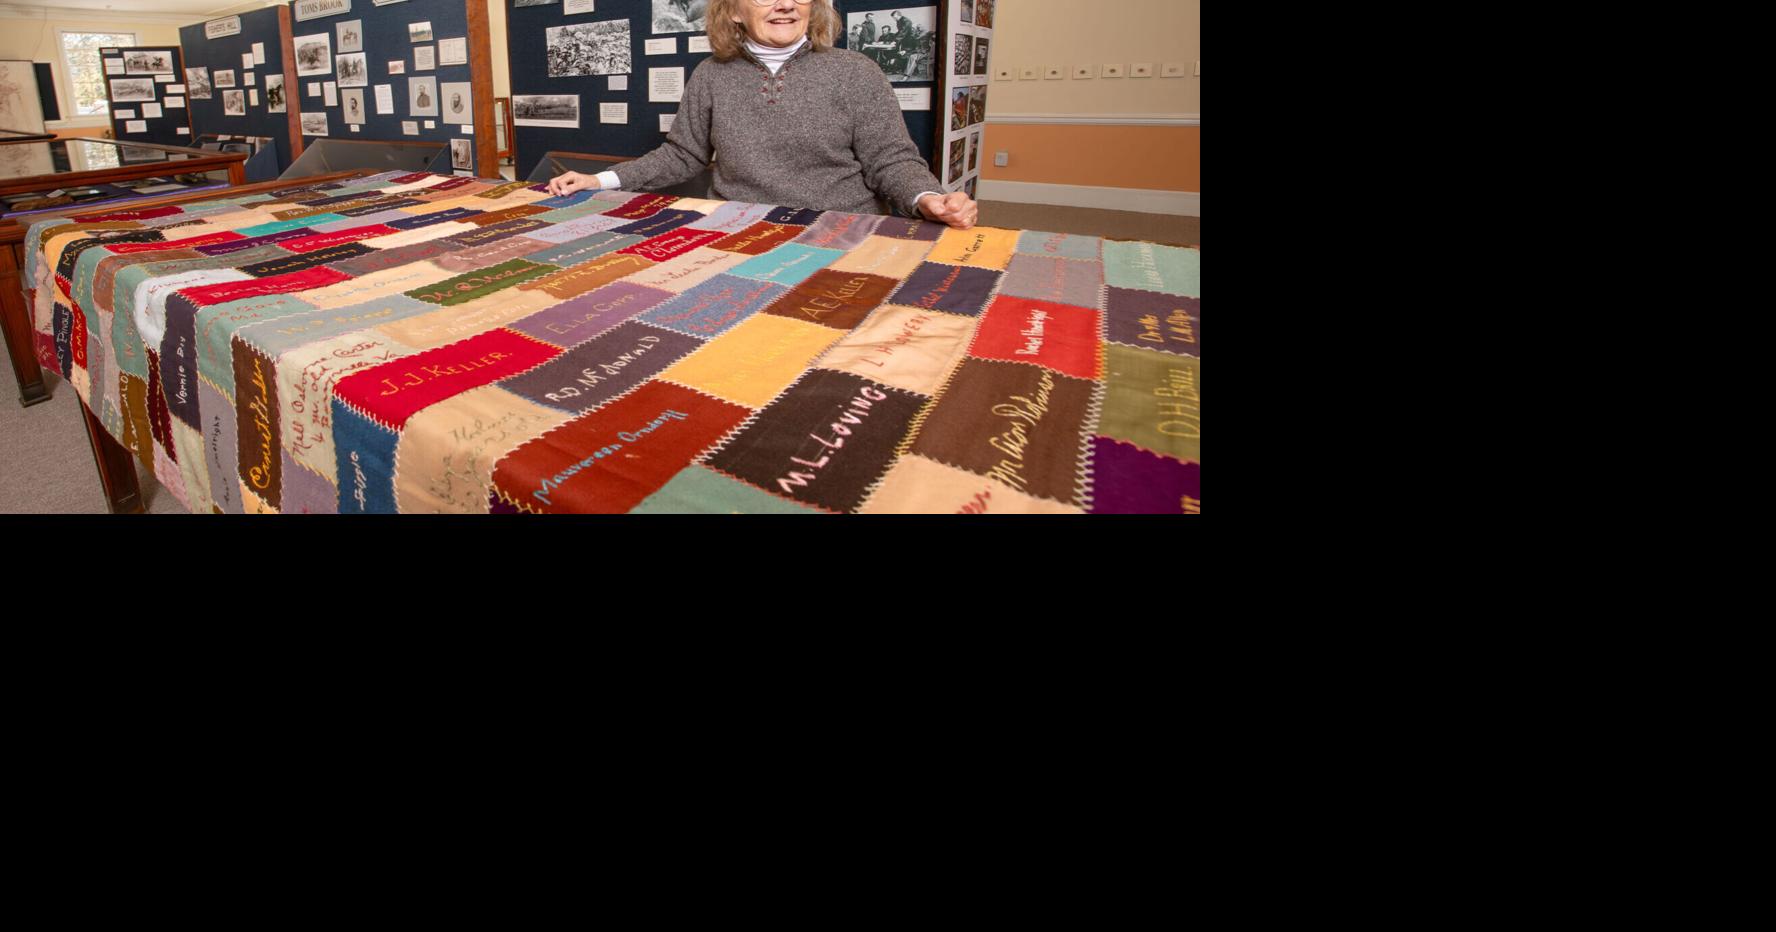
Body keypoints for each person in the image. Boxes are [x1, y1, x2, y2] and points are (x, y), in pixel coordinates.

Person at [548, 0, 976, 229]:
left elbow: (892, 159)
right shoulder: (711, 75)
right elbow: (682, 155)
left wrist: (927, 199)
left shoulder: (855, 71)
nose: (785, 6)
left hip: (838, 228)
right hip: (738, 227)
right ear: (734, 11)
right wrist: (598, 180)